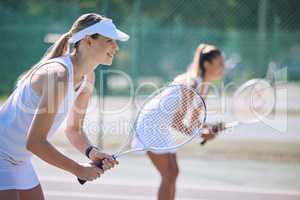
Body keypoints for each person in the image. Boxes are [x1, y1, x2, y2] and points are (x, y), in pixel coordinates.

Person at [0, 13, 129, 200]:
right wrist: (79, 170)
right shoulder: (59, 76)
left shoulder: (88, 77)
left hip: (20, 160)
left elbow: (74, 129)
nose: (116, 47)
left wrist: (92, 152)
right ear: (88, 41)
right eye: (109, 40)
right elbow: (35, 142)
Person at [132, 44, 225, 200]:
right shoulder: (192, 83)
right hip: (150, 124)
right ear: (207, 64)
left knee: (173, 173)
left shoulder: (204, 87)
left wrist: (209, 129)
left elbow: (194, 123)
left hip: (161, 126)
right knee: (169, 174)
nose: (223, 67)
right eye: (220, 63)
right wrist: (200, 134)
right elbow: (177, 122)